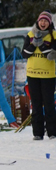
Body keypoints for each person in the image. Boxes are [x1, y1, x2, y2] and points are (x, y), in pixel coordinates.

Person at [22, 11, 56, 140]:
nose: (43, 23)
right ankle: (37, 133)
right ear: (38, 21)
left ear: (49, 23)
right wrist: (33, 44)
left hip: (48, 75)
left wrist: (40, 44)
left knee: (49, 104)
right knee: (35, 104)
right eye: (41, 21)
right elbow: (24, 53)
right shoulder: (30, 34)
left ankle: (52, 132)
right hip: (32, 74)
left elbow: (51, 54)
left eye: (46, 21)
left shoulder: (54, 35)